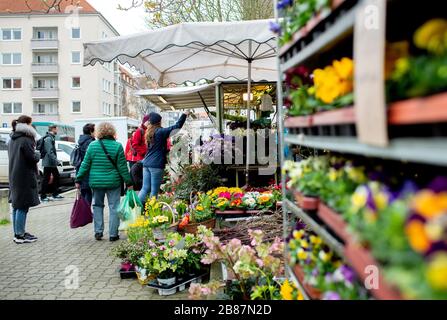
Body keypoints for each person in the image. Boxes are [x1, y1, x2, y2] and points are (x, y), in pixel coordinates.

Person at [75, 122, 133, 242]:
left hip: (96, 182)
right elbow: (122, 167)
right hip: (113, 182)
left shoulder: (92, 146)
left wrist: (78, 179)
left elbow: (85, 164)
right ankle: (113, 234)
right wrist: (129, 182)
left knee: (97, 206)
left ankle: (98, 232)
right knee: (114, 207)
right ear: (112, 131)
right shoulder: (117, 146)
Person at [138, 111, 188, 203]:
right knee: (154, 191)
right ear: (159, 122)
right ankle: (152, 212)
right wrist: (184, 115)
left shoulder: (149, 133)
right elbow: (176, 127)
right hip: (156, 165)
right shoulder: (160, 132)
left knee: (145, 189)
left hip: (146, 164)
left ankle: (136, 208)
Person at [8, 116, 40, 244]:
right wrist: (37, 154)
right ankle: (20, 235)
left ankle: (17, 233)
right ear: (27, 124)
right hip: (24, 175)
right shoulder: (26, 139)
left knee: (17, 205)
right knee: (23, 205)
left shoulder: (12, 139)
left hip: (14, 175)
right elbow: (32, 157)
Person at [40, 124, 63, 202]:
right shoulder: (48, 138)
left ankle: (55, 194)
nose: (57, 131)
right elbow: (49, 151)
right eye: (57, 129)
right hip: (48, 162)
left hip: (51, 162)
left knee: (56, 176)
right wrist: (56, 161)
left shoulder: (51, 137)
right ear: (53, 129)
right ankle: (43, 196)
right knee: (46, 179)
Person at [75, 123, 95, 204]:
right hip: (87, 170)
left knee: (83, 192)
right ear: (91, 131)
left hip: (80, 169)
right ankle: (86, 213)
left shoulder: (80, 141)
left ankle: (84, 213)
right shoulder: (91, 142)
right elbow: (90, 158)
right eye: (95, 130)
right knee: (88, 192)